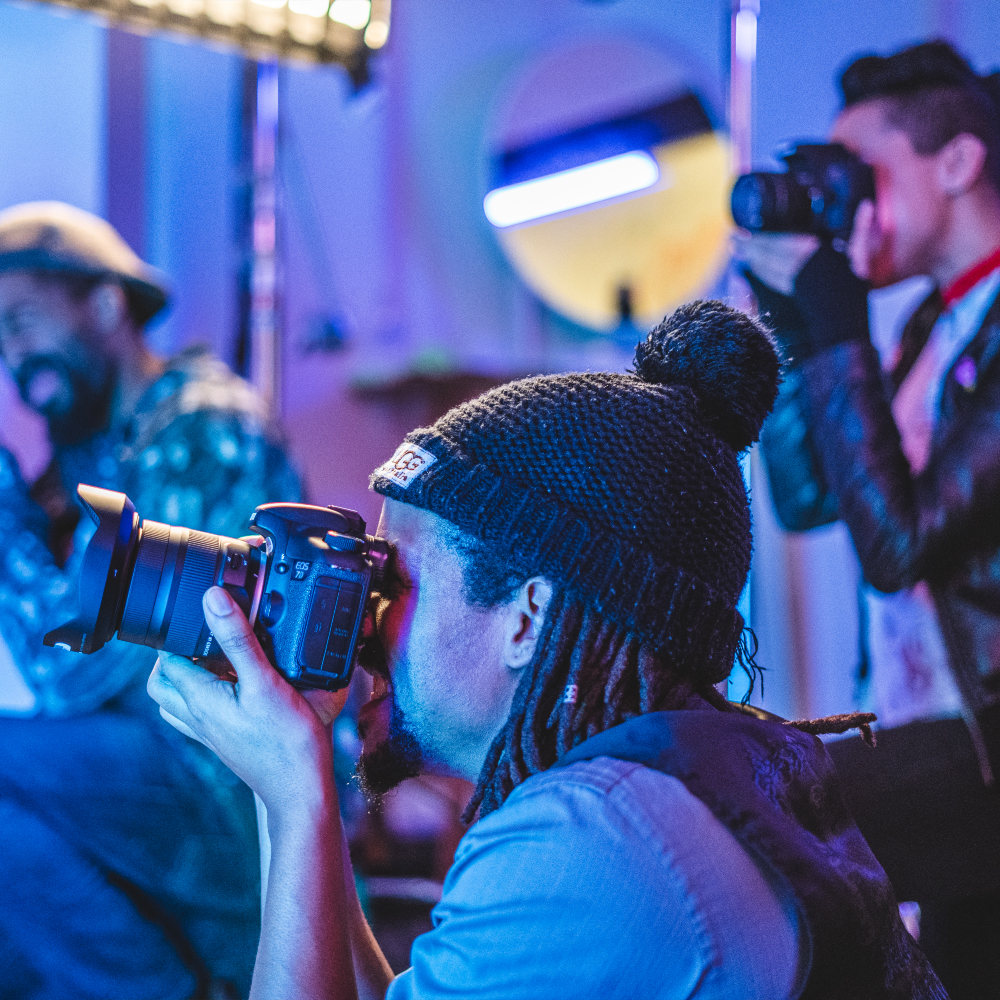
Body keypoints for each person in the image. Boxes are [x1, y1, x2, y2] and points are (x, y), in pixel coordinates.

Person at [149, 299, 945, 999]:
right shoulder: (673, 789)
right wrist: (291, 788)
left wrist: (295, 799)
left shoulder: (596, 840)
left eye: (395, 580)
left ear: (528, 618)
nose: (364, 620)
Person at [739, 40, 1000, 999]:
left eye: (854, 173)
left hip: (983, 739)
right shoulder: (935, 325)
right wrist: (797, 327)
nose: (837, 201)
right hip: (921, 719)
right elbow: (811, 498)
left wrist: (842, 326)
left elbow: (898, 546)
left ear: (958, 162)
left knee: (760, 807)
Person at [0, 202, 302, 1000]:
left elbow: (73, 673)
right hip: (165, 766)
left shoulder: (199, 428)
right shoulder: (104, 448)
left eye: (22, 321)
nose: (13, 354)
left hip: (233, 786)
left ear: (106, 305)